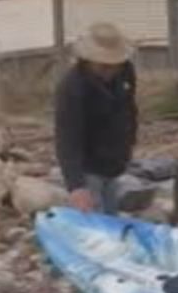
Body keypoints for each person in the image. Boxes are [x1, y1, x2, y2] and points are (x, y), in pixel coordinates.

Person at [55, 23, 138, 214]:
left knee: (111, 219)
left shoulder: (125, 72)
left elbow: (130, 109)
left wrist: (129, 143)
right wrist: (76, 186)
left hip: (115, 163)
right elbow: (67, 139)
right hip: (88, 167)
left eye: (114, 65)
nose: (110, 71)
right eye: (103, 66)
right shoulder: (71, 88)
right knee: (94, 225)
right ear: (89, 59)